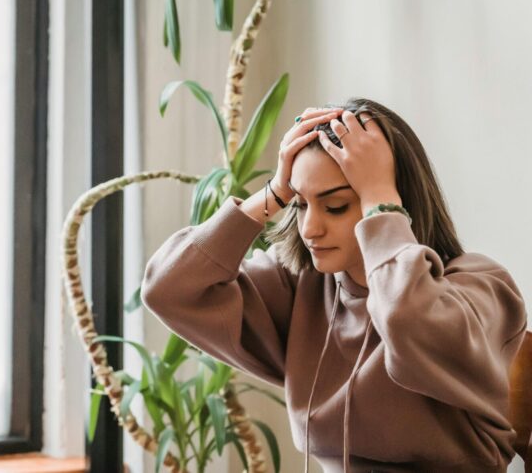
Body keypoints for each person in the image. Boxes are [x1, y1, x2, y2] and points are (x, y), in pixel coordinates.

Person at [142, 98, 527, 471]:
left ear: (394, 203)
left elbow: (406, 322)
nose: (310, 229)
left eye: (337, 206)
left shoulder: (481, 288)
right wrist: (275, 192)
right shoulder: (302, 289)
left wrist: (380, 199)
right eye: (301, 204)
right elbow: (168, 289)